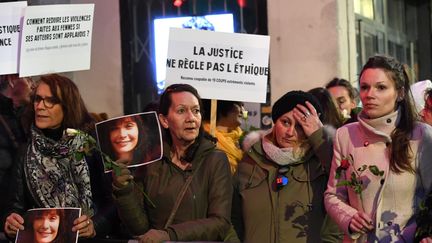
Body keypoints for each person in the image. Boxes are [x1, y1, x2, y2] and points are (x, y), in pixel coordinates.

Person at [324, 55, 432, 242]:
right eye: (365, 87)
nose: (369, 94)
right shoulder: (345, 135)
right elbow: (333, 194)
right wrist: (349, 217)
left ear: (399, 93)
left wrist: (427, 233)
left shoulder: (422, 135)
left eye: (380, 87)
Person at [112, 83, 234, 242]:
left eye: (196, 111)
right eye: (181, 111)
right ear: (164, 120)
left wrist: (169, 235)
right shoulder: (150, 162)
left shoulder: (215, 159)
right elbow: (140, 229)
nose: (191, 118)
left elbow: (220, 223)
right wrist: (123, 192)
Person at [3, 74, 113, 240]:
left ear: (67, 106)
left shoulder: (92, 146)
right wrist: (11, 222)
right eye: (38, 99)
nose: (40, 106)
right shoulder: (25, 151)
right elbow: (15, 207)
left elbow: (115, 203)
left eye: (50, 101)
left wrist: (95, 225)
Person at [232, 90, 338, 243]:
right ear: (275, 122)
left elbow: (341, 185)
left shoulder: (321, 164)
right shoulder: (249, 162)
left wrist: (319, 137)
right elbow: (232, 220)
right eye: (285, 122)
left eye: (300, 126)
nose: (290, 132)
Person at [0, 74, 32, 233]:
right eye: (28, 78)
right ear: (12, 80)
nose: (32, 85)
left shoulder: (26, 117)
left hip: (20, 217)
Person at [202, 99, 245, 174]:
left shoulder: (243, 140)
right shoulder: (202, 138)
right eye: (239, 105)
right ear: (222, 105)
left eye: (243, 106)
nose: (243, 111)